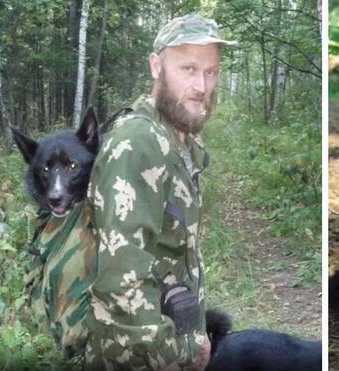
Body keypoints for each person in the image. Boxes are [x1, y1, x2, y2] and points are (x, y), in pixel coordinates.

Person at [84, 14, 234, 370]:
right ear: (156, 66)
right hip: (136, 355)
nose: (201, 85)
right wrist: (175, 355)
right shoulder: (138, 144)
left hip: (172, 335)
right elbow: (121, 283)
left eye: (210, 72)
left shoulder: (182, 142)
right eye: (188, 69)